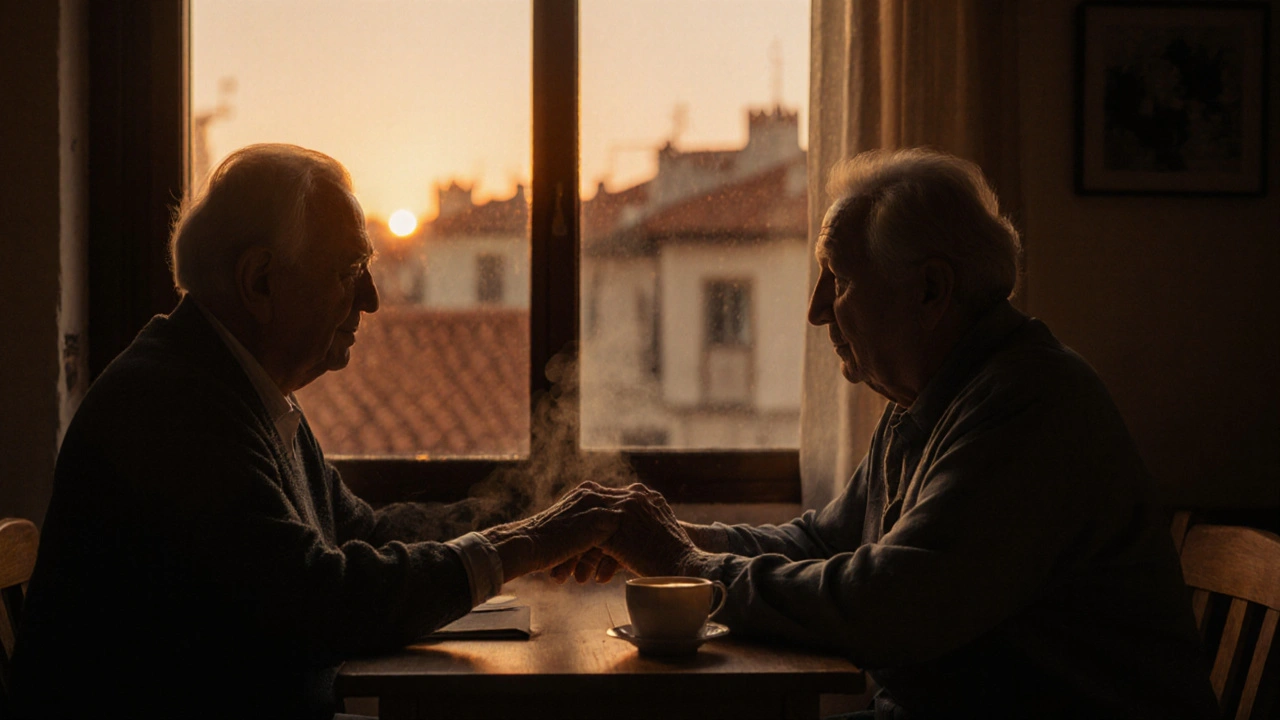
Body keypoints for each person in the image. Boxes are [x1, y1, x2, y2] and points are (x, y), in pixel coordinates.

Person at [569, 149, 1218, 719]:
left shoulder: (1030, 406)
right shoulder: (934, 397)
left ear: (932, 289)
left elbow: (887, 608)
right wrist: (674, 536)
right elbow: (822, 540)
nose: (817, 309)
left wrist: (686, 567)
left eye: (840, 279)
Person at [11, 144, 619, 720]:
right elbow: (321, 600)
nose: (373, 299)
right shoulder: (171, 408)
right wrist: (527, 544)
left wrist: (536, 519)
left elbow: (365, 533)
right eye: (350, 269)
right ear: (260, 282)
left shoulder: (232, 385)